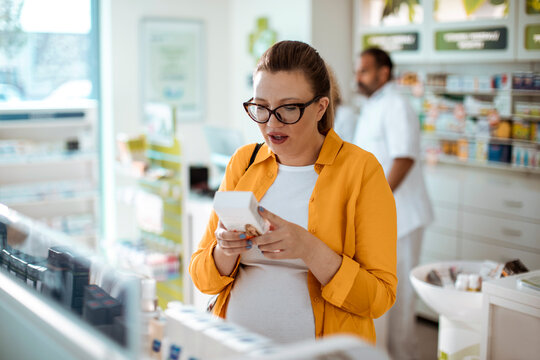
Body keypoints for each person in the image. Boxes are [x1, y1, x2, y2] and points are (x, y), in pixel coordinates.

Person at [189, 40, 397, 345]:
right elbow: (201, 277)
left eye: (288, 108)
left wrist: (309, 249)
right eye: (261, 107)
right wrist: (224, 250)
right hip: (236, 349)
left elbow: (378, 299)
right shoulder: (244, 163)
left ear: (320, 108)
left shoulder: (362, 172)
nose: (272, 123)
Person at [352, 47, 434, 360]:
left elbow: (403, 158)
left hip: (402, 217)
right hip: (383, 219)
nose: (358, 77)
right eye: (358, 70)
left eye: (364, 70)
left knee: (401, 300)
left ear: (383, 73)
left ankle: (405, 356)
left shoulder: (397, 105)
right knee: (384, 297)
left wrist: (376, 203)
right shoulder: (372, 107)